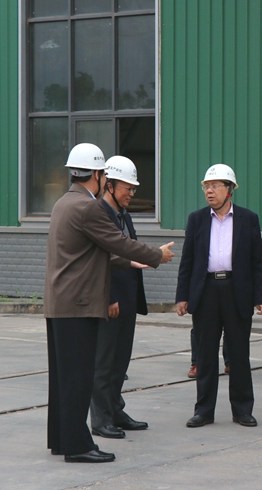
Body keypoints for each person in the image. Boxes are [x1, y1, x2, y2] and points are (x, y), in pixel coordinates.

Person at [45, 143, 174, 463]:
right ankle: (78, 447)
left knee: (64, 380)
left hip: (61, 303)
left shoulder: (63, 203)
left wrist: (130, 263)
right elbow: (117, 242)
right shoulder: (88, 208)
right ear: (98, 175)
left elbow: (92, 252)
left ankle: (62, 440)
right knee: (79, 379)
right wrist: (156, 255)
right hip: (78, 305)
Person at [176, 164, 262, 428]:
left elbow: (257, 261)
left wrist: (260, 297)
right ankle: (204, 411)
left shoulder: (248, 219)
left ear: (229, 190)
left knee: (239, 353)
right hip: (206, 291)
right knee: (205, 354)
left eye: (215, 186)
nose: (209, 191)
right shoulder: (197, 219)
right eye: (206, 186)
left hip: (236, 290)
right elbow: (188, 260)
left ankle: (242, 410)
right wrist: (182, 296)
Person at [89, 156, 151, 439]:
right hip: (110, 299)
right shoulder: (98, 214)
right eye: (128, 187)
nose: (132, 193)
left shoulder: (123, 215)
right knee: (103, 363)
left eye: (134, 188)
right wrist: (110, 297)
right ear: (110, 185)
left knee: (120, 362)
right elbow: (100, 260)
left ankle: (115, 410)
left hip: (127, 299)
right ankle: (101, 419)